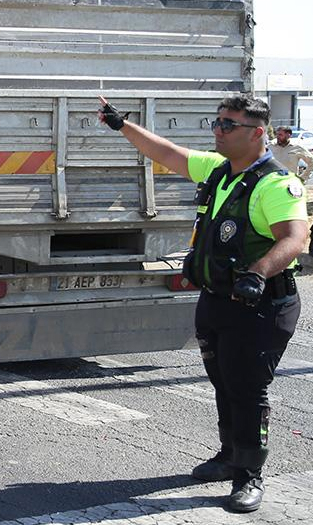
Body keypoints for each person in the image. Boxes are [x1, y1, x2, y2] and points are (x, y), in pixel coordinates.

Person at [99, 94, 305, 513]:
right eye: (217, 122)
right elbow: (166, 153)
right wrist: (121, 124)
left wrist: (257, 272)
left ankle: (250, 474)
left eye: (228, 125)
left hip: (260, 304)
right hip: (216, 300)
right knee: (223, 382)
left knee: (248, 390)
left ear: (257, 133)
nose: (217, 130)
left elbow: (294, 237)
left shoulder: (276, 184)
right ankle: (229, 456)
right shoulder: (219, 171)